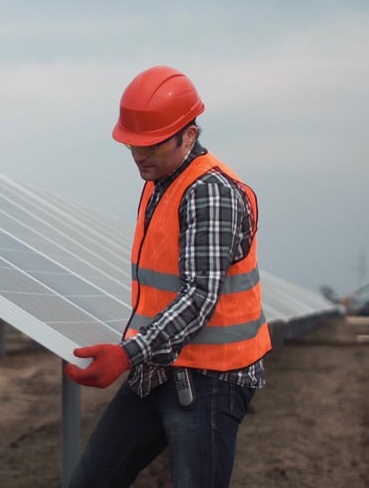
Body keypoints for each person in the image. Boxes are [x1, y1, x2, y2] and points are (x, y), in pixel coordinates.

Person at [64, 66, 271, 487]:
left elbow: (198, 297)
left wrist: (125, 355)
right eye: (133, 146)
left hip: (212, 379)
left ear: (189, 136)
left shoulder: (210, 192)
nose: (140, 156)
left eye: (153, 146)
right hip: (159, 366)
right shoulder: (159, 178)